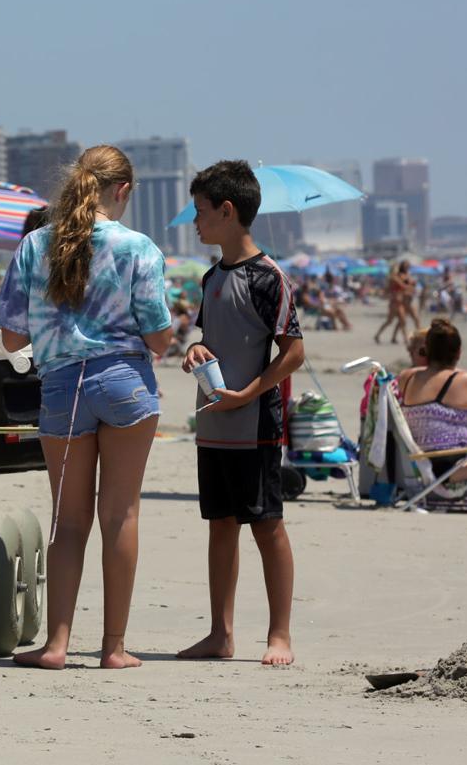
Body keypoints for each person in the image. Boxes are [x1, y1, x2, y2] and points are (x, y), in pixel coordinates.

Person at [0, 145, 173, 670]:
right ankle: (114, 648)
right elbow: (159, 339)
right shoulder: (137, 247)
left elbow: (8, 336)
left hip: (62, 388)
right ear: (123, 191)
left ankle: (56, 646)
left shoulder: (34, 246)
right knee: (120, 514)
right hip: (124, 385)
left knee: (68, 522)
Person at [177, 160, 304, 667]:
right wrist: (193, 350)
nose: (195, 222)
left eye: (201, 212)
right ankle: (220, 633)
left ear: (227, 212)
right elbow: (211, 341)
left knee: (266, 524)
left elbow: (293, 351)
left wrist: (251, 391)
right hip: (214, 423)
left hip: (256, 426)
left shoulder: (268, 277)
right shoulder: (212, 277)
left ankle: (280, 635)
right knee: (220, 524)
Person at [397, 319, 467, 494]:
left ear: (426, 350)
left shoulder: (407, 377)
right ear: (458, 352)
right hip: (450, 466)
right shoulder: (466, 380)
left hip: (421, 462)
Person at [373, 261, 413, 345]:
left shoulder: (396, 277)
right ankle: (377, 335)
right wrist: (409, 284)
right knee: (390, 321)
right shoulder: (393, 277)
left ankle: (405, 339)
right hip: (394, 302)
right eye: (397, 268)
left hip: (399, 302)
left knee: (402, 320)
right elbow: (402, 285)